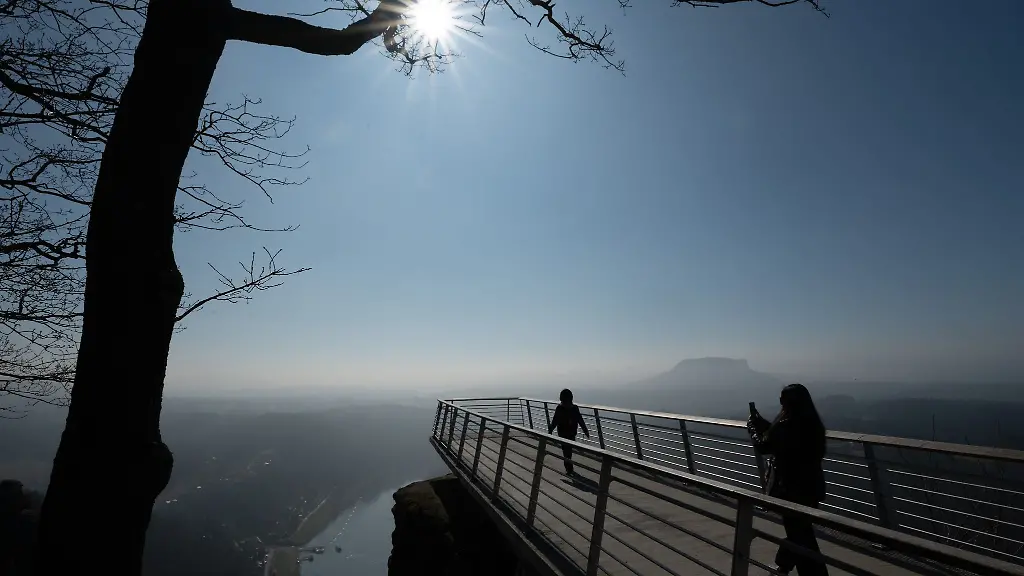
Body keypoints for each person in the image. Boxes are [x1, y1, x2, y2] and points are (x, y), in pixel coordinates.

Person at [748, 384, 829, 576]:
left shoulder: (787, 425)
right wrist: (764, 425)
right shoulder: (813, 425)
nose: (780, 403)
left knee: (799, 534)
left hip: (790, 489)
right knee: (801, 533)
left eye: (782, 399)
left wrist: (752, 429)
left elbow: (765, 446)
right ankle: (787, 567)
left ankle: (788, 567)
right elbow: (780, 438)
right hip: (811, 488)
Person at [548, 389, 590, 475]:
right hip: (568, 433)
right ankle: (569, 468)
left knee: (567, 451)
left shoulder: (562, 408)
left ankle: (569, 468)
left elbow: (555, 421)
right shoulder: (571, 408)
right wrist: (585, 431)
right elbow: (580, 420)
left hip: (567, 433)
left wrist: (550, 430)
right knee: (567, 451)